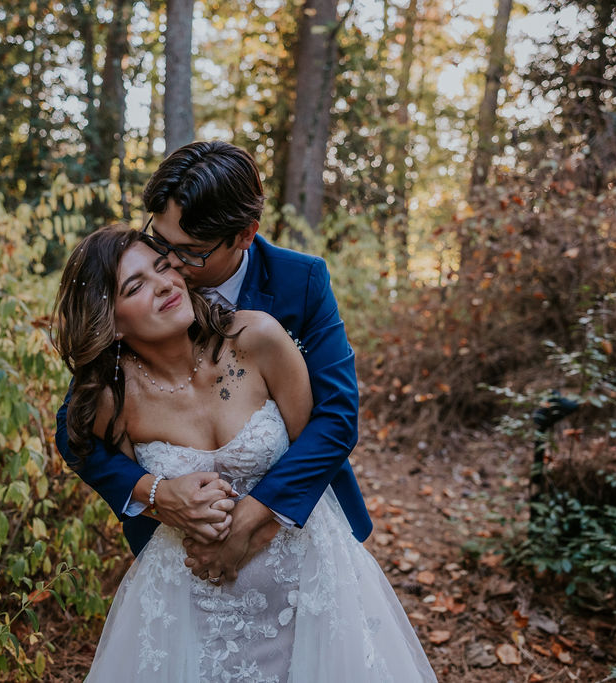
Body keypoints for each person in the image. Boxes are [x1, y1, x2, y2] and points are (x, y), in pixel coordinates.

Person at [51, 225, 437, 681]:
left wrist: (256, 522)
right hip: (192, 601)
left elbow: (321, 436)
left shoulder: (258, 338)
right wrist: (157, 493)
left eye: (163, 267)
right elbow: (78, 446)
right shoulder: (113, 398)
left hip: (310, 589)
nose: (165, 284)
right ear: (110, 322)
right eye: (135, 286)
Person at [54, 141, 372, 583]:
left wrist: (251, 525)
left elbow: (337, 417)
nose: (172, 269)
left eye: (189, 252)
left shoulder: (299, 282)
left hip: (296, 530)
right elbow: (75, 430)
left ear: (245, 235)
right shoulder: (143, 289)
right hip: (187, 562)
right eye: (160, 242)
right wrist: (157, 494)